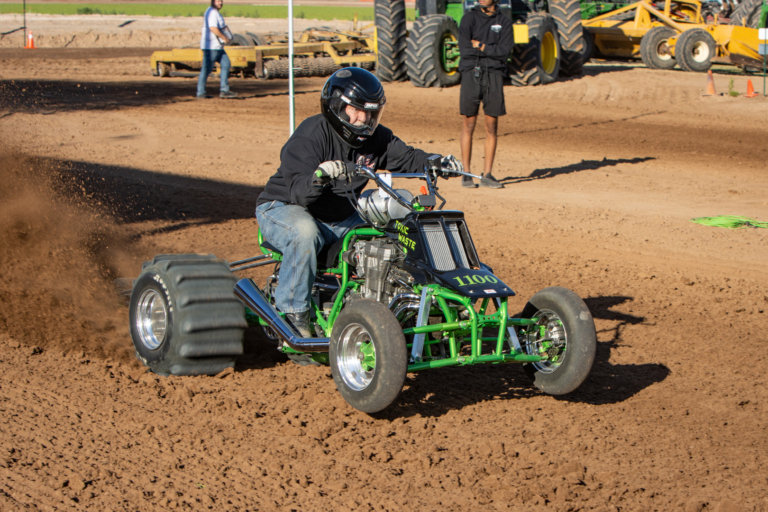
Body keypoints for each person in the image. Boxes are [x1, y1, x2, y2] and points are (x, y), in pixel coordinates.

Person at [255, 67, 461, 338]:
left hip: (341, 216)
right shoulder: (312, 133)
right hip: (285, 208)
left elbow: (409, 157)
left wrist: (435, 162)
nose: (365, 119)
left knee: (397, 230)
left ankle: (411, 305)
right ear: (337, 107)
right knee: (304, 232)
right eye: (358, 110)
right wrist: (321, 175)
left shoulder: (377, 138)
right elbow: (299, 193)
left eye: (372, 113)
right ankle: (293, 315)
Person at [458, 0, 514, 188]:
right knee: (469, 123)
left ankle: (487, 174)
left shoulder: (504, 22)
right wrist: (490, 51)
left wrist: (481, 47)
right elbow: (465, 49)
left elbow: (504, 51)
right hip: (471, 73)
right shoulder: (468, 19)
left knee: (492, 125)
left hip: (494, 76)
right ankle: (466, 174)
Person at [196, 0, 237, 99]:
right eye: (218, 1)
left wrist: (228, 37)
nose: (220, 3)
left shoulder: (215, 13)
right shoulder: (212, 13)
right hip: (211, 47)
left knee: (226, 64)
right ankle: (200, 92)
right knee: (206, 69)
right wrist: (224, 37)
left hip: (218, 47)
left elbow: (222, 27)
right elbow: (213, 28)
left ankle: (224, 90)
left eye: (221, 1)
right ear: (213, 2)